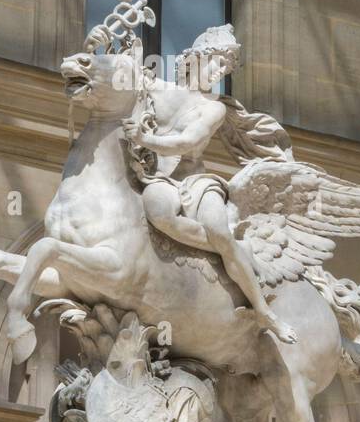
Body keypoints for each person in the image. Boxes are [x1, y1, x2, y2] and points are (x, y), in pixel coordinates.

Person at [122, 25, 297, 344]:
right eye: (216, 63)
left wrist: (144, 137)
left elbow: (188, 141)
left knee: (220, 232)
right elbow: (125, 81)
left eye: (225, 69)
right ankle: (219, 251)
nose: (219, 73)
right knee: (158, 212)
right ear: (195, 58)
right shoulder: (159, 87)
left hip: (197, 182)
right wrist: (127, 52)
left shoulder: (214, 108)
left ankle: (261, 309)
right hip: (159, 179)